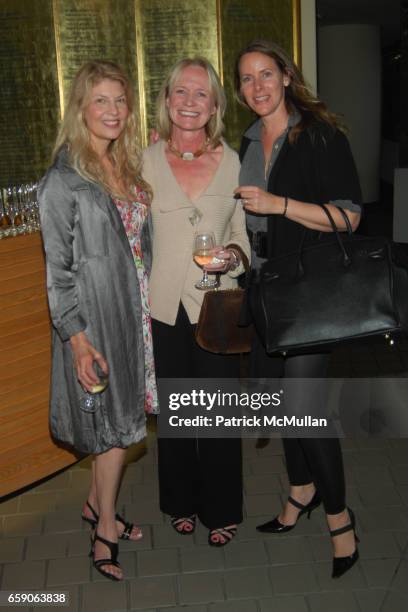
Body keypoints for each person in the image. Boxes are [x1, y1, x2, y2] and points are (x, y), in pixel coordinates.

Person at [234, 40, 362, 578]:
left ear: (286, 76)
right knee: (276, 402)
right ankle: (300, 490)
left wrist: (279, 204)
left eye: (266, 74)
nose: (257, 87)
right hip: (264, 289)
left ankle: (340, 522)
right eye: (246, 79)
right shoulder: (244, 141)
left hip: (310, 292)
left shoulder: (320, 135)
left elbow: (349, 218)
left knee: (306, 411)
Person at [39, 60, 158, 581]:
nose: (113, 110)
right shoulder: (63, 180)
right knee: (112, 432)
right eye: (101, 100)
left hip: (136, 314)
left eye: (120, 100)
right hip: (97, 323)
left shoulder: (124, 165)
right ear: (81, 108)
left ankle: (94, 505)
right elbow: (58, 274)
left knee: (122, 421)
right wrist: (78, 342)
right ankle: (104, 528)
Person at [143, 57, 250, 546]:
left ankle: (223, 507)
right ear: (167, 100)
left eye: (201, 94)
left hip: (217, 306)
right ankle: (180, 501)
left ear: (214, 106)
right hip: (164, 307)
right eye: (180, 92)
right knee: (178, 413)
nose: (189, 102)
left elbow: (243, 237)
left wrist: (232, 255)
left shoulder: (233, 162)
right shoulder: (142, 160)